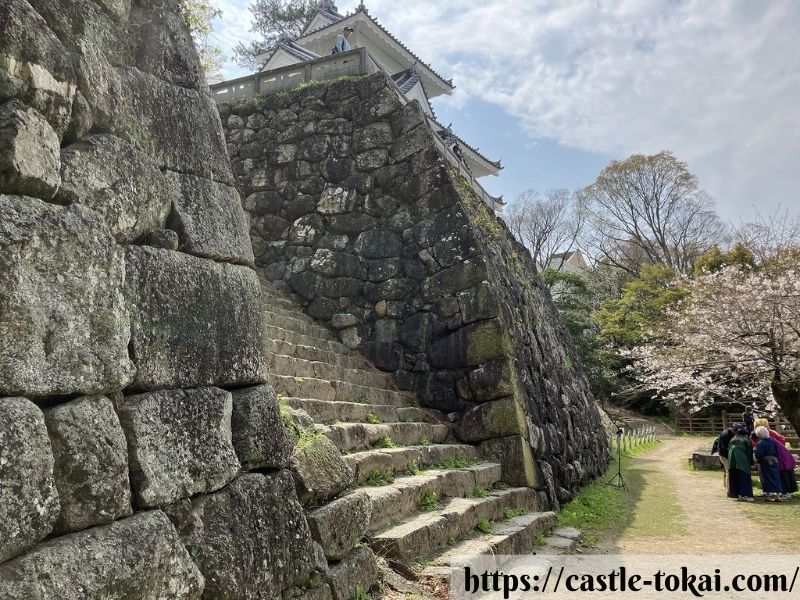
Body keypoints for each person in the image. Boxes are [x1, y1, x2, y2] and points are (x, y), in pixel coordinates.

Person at [754, 426, 785, 501]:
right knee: (776, 477)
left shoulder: (760, 443)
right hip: (775, 461)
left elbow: (759, 454)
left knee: (766, 478)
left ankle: (768, 495)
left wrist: (759, 460)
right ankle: (778, 496)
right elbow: (778, 451)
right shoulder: (773, 441)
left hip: (766, 462)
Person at [727, 425, 755, 501]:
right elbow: (749, 453)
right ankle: (746, 495)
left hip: (732, 462)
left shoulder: (732, 439)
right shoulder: (746, 440)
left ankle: (737, 494)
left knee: (735, 477)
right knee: (744, 477)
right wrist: (751, 464)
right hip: (742, 461)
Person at [715, 425, 735, 492]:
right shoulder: (725, 435)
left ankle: (728, 487)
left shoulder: (727, 433)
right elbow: (724, 448)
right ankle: (729, 491)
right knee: (729, 472)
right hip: (724, 456)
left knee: (727, 472)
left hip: (724, 455)